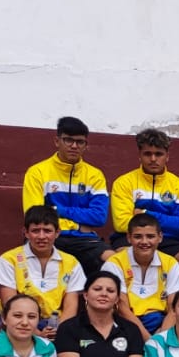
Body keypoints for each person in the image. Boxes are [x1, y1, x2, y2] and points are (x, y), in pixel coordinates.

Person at [21, 115, 110, 274]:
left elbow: (99, 217)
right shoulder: (37, 173)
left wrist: (56, 210)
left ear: (85, 145)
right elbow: (35, 217)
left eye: (80, 142)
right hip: (49, 237)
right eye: (68, 140)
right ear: (57, 141)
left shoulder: (95, 175)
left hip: (84, 239)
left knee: (113, 261)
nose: (74, 146)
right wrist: (76, 225)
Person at [0, 204, 86, 335]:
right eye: (35, 230)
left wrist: (57, 331)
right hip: (18, 321)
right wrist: (36, 333)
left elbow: (70, 307)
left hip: (56, 323)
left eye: (47, 230)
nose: (41, 236)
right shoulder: (9, 260)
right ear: (26, 233)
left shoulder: (71, 263)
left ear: (57, 233)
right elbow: (9, 304)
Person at [109, 128, 179, 256]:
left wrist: (144, 213)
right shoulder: (123, 183)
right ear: (139, 155)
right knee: (124, 256)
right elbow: (121, 224)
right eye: (147, 154)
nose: (153, 159)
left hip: (168, 240)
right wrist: (166, 222)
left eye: (159, 154)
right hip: (131, 239)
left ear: (167, 156)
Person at [101, 213, 179, 331]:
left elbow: (174, 308)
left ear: (160, 237)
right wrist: (148, 341)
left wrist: (161, 339)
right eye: (138, 237)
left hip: (161, 324)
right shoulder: (114, 263)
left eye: (150, 236)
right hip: (125, 324)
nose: (144, 242)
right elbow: (122, 308)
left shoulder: (170, 263)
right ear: (128, 238)